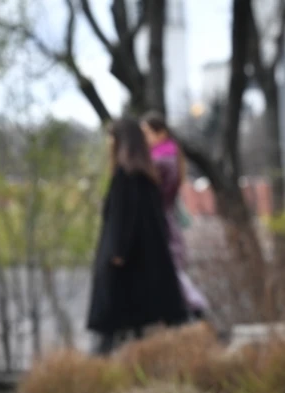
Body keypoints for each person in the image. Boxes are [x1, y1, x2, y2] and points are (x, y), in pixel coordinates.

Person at [86, 118, 189, 355]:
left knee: (109, 333)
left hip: (124, 269)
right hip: (146, 269)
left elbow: (121, 220)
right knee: (141, 330)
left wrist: (117, 252)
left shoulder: (126, 178)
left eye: (112, 139)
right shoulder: (147, 178)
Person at [141, 111, 209, 320]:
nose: (144, 139)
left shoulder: (160, 162)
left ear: (160, 133)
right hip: (169, 223)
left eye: (146, 133)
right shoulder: (171, 157)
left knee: (172, 273)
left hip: (163, 225)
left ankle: (195, 307)